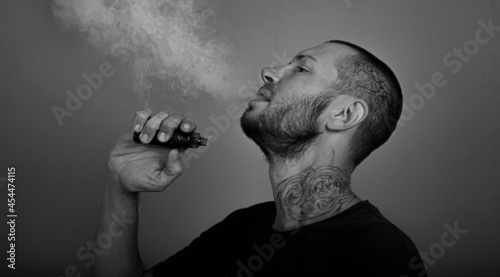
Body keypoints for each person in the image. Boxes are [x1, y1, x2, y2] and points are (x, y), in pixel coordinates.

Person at [90, 40, 427, 277]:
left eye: (302, 69)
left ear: (344, 114)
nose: (268, 72)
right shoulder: (240, 229)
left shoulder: (380, 252)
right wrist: (120, 187)